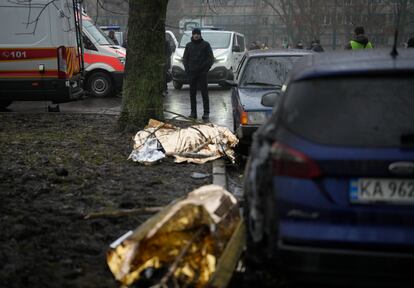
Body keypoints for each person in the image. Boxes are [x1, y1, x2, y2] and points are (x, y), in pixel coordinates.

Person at [183, 28, 214, 120]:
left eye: (197, 34)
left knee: (204, 93)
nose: (196, 35)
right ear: (192, 35)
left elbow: (210, 59)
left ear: (200, 35)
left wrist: (205, 70)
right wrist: (187, 70)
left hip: (202, 73)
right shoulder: (188, 46)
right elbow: (185, 59)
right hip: (192, 73)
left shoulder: (205, 45)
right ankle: (193, 112)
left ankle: (206, 112)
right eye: (194, 34)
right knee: (192, 93)